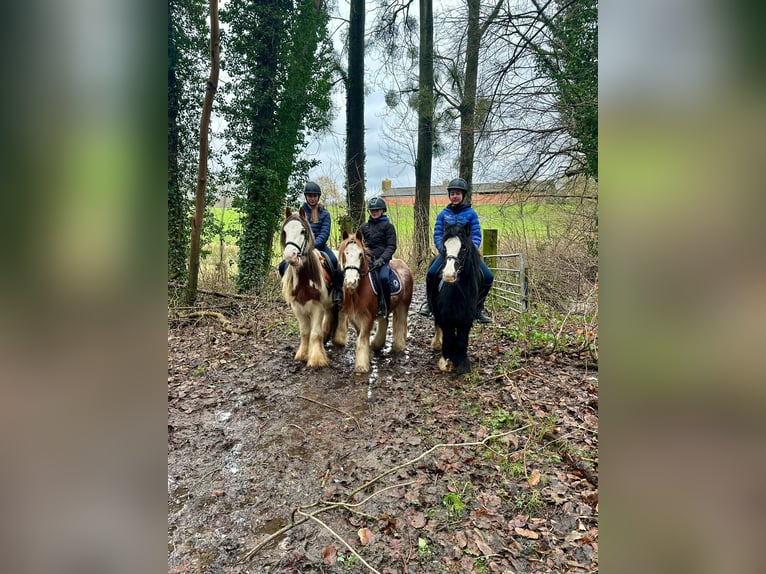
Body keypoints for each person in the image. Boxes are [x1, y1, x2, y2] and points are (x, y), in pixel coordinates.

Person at [418, 177, 494, 323]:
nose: (454, 196)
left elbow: (476, 235)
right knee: (431, 273)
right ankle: (430, 304)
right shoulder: (443, 214)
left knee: (488, 276)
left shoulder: (471, 214)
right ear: (449, 196)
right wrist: (444, 250)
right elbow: (438, 234)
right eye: (452, 193)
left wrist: (470, 250)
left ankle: (478, 308)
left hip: (467, 254)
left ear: (463, 195)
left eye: (457, 193)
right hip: (447, 253)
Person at [279, 181, 343, 305]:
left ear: (318, 197)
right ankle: (289, 290)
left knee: (335, 262)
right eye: (310, 196)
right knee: (282, 266)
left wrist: (312, 246)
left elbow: (324, 233)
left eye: (314, 196)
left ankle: (337, 292)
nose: (312, 198)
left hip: (320, 246)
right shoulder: (299, 214)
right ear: (306, 197)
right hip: (301, 248)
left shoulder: (324, 214)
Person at [360, 196, 397, 317]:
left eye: (377, 210)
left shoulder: (388, 227)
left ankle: (384, 305)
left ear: (382, 210)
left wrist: (382, 259)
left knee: (384, 278)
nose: (374, 212)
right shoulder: (364, 227)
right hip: (367, 259)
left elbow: (391, 246)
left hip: (382, 260)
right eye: (372, 210)